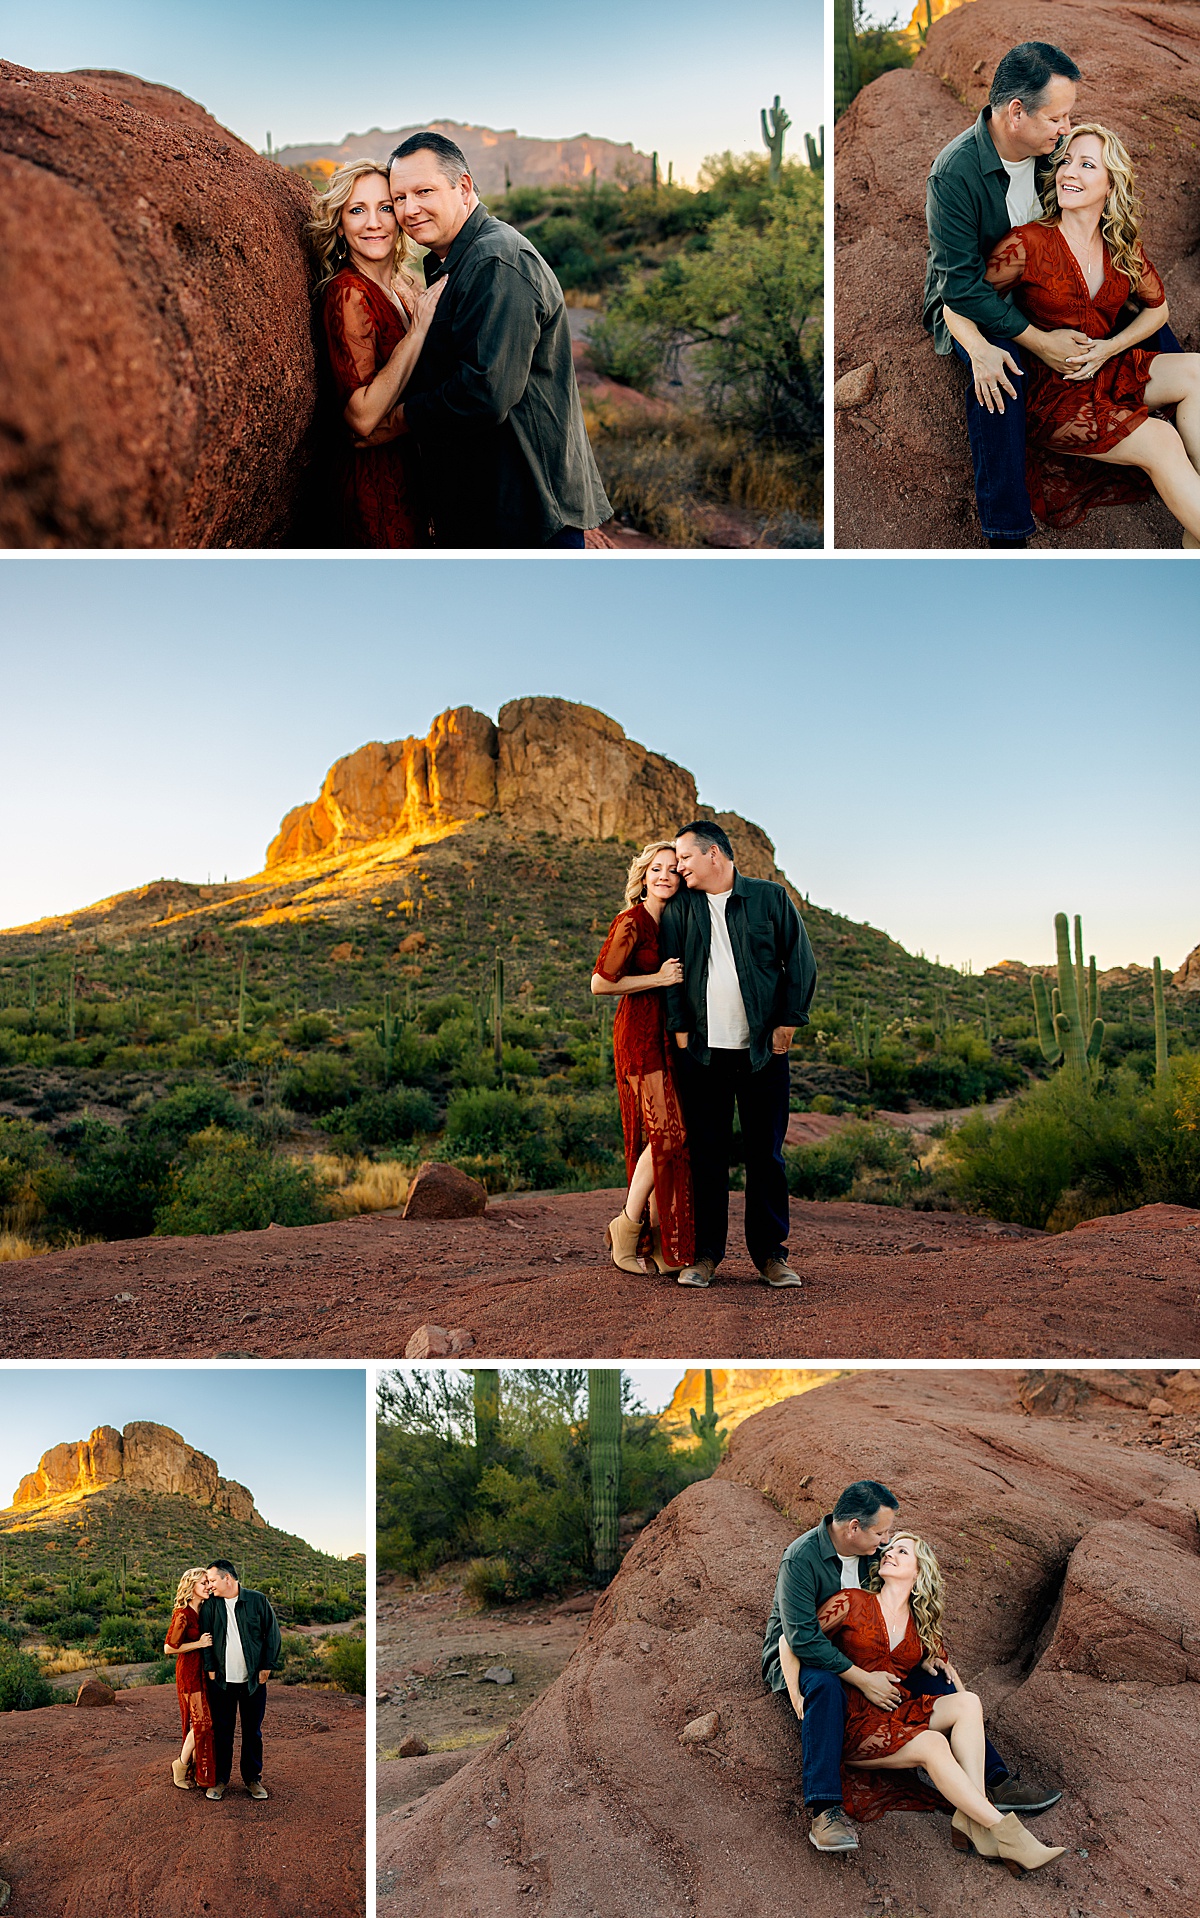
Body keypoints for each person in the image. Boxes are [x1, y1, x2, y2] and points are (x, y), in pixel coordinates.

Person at [762, 1481, 1063, 1857]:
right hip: (805, 1654)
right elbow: (800, 1640)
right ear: (854, 1527)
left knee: (940, 1680)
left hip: (862, 1652)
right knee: (826, 1686)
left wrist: (925, 1653)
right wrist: (856, 1681)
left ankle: (994, 1782)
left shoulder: (873, 1554)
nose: (886, 1541)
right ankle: (825, 1811)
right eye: (881, 1533)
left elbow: (894, 1609)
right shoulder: (802, 1558)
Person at [945, 124, 1200, 544]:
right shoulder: (1028, 243)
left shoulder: (1120, 246)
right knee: (1160, 439)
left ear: (1110, 184)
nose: (1069, 172)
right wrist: (977, 350)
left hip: (1106, 369)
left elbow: (1159, 309)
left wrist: (1110, 347)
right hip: (1054, 395)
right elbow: (958, 302)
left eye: (1086, 165)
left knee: (1196, 370)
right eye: (1065, 161)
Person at [386, 131, 613, 547]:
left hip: (528, 515)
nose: (409, 209)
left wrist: (396, 419)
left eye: (423, 192)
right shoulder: (457, 259)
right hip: (493, 506)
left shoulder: (495, 260)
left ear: (463, 187)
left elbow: (483, 393)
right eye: (399, 198)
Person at [924, 42, 1081, 546]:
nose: (1065, 128)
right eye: (1056, 118)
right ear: (1016, 112)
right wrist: (1040, 342)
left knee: (1137, 318)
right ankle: (1006, 534)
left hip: (1039, 281)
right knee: (999, 374)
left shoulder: (1054, 153)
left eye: (1068, 117)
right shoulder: (954, 172)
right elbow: (961, 288)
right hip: (972, 298)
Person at [659, 822, 816, 1289]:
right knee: (707, 1156)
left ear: (714, 854)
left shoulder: (770, 898)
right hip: (703, 1054)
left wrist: (789, 1021)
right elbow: (672, 973)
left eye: (685, 857)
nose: (679, 867)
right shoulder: (681, 908)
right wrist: (681, 1033)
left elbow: (800, 960)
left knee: (765, 1156)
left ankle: (770, 1256)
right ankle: (705, 1255)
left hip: (762, 1052)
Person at [308, 160, 446, 546]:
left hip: (411, 478)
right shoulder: (348, 293)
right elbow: (362, 416)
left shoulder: (402, 286)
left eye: (385, 207)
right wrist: (417, 333)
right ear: (340, 225)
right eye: (357, 210)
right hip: (374, 494)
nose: (374, 223)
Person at [591, 841, 695, 1276]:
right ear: (644, 876)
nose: (665, 876)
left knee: (661, 1136)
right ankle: (627, 1226)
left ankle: (657, 1244)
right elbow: (600, 983)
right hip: (638, 1036)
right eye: (656, 869)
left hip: (664, 1036)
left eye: (673, 869)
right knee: (668, 1134)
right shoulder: (631, 921)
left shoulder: (669, 922)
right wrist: (658, 978)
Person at [199, 1559, 282, 1802]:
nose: (210, 1585)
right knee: (222, 1731)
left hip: (252, 1681)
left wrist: (267, 1666)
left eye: (212, 1580)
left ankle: (253, 1779)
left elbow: (272, 1633)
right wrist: (210, 1669)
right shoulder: (210, 1605)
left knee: (252, 1732)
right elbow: (206, 1637)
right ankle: (220, 1780)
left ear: (227, 1578)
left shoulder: (257, 1600)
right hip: (222, 1681)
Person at [164, 1565, 216, 1790]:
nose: (208, 1586)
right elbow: (168, 1648)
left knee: (201, 1722)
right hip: (189, 1673)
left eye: (208, 1582)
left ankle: (196, 1770)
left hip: (201, 1672)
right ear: (191, 1586)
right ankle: (181, 1764)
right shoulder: (183, 1614)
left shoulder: (202, 1610)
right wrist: (199, 1643)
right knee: (202, 1723)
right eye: (203, 1583)